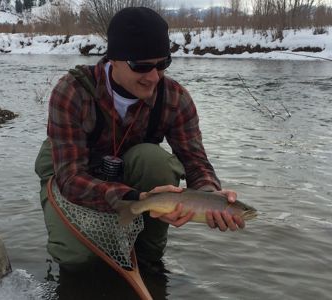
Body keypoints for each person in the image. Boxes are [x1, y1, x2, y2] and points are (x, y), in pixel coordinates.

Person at [35, 6, 245, 281]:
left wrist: (209, 197)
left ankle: (148, 261)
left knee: (155, 161)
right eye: (142, 66)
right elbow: (70, 177)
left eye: (162, 64)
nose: (154, 76)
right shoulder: (72, 91)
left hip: (134, 172)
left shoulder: (175, 98)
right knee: (77, 260)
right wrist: (133, 198)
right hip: (73, 173)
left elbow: (195, 162)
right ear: (114, 59)